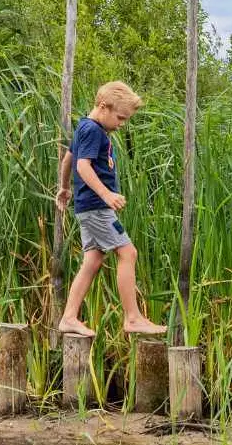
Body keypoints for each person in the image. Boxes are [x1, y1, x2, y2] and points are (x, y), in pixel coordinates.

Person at [55, 81, 167, 339]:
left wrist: (64, 188)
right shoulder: (94, 130)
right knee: (128, 253)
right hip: (96, 208)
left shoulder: (83, 126)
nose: (122, 124)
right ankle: (133, 317)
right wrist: (106, 194)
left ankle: (69, 317)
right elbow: (82, 166)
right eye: (120, 117)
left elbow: (68, 159)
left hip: (87, 207)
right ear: (104, 107)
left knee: (93, 259)